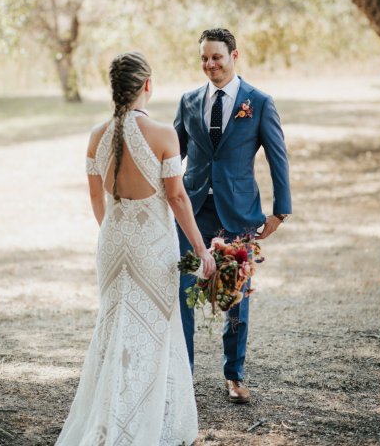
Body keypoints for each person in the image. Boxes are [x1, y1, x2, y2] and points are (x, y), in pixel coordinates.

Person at [55, 51, 215, 446]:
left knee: (114, 330)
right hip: (153, 248)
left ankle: (111, 420)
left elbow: (97, 199)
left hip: (111, 245)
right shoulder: (163, 134)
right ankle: (150, 423)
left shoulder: (96, 134)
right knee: (154, 331)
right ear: (147, 85)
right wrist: (201, 250)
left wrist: (115, 233)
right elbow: (177, 199)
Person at [174, 28, 292, 404]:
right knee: (184, 291)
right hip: (192, 212)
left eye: (217, 57)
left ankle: (234, 376)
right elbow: (172, 155)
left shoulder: (258, 101)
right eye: (204, 59)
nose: (210, 65)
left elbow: (278, 158)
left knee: (236, 296)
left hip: (238, 214)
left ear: (234, 56)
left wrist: (280, 211)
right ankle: (183, 376)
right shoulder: (189, 101)